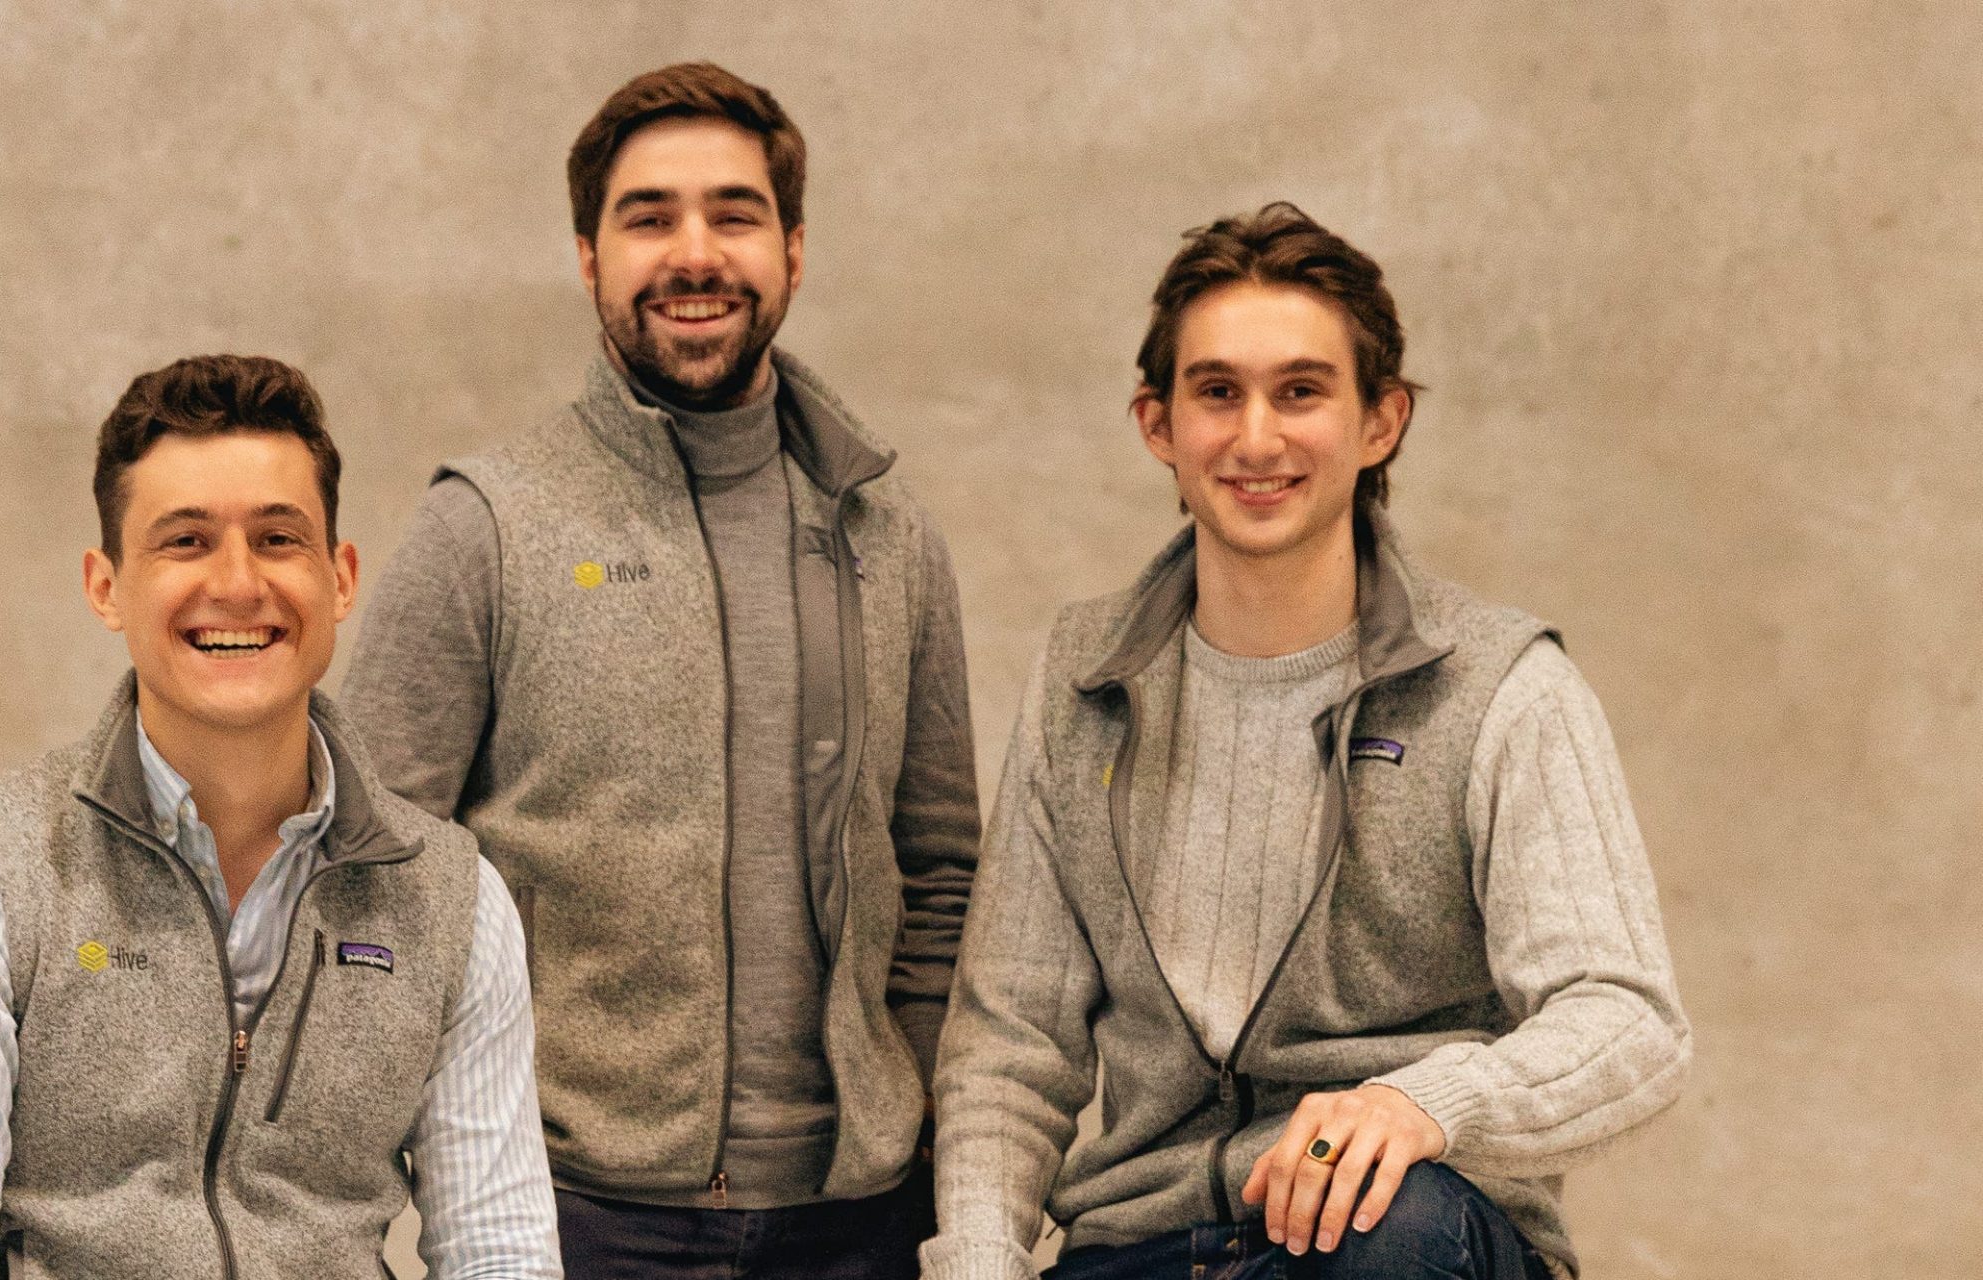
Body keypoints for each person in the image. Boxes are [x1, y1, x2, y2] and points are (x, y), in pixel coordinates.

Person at [922, 205, 1691, 1280]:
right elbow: (1010, 1047)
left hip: (1399, 1238)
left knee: (1384, 1229)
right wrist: (976, 1258)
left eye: (1300, 390)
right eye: (1217, 391)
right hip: (1140, 1245)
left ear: (1381, 421)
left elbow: (1629, 1021)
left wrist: (1422, 1102)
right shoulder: (1082, 684)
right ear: (1158, 423)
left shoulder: (1503, 690)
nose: (1254, 438)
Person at [343, 62, 979, 1279]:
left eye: (734, 214)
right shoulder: (485, 524)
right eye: (649, 217)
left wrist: (906, 1112)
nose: (695, 254)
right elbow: (370, 887)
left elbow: (941, 870)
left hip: (857, 1219)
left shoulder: (889, 538)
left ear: (791, 249)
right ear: (587, 254)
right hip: (570, 1216)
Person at [0, 355, 561, 1279]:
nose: (236, 583)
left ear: (341, 579)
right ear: (107, 588)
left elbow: (499, 1253)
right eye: (185, 541)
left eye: (277, 539)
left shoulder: (454, 902)